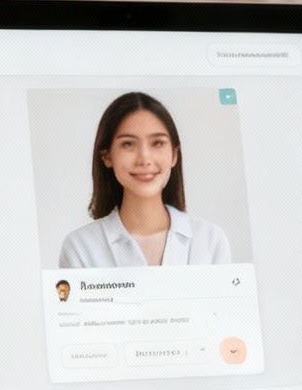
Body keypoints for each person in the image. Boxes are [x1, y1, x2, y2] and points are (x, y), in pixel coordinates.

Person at [59, 92, 233, 267]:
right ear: (107, 156)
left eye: (157, 143)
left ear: (174, 154)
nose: (144, 159)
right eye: (128, 144)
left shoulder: (211, 241)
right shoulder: (79, 247)